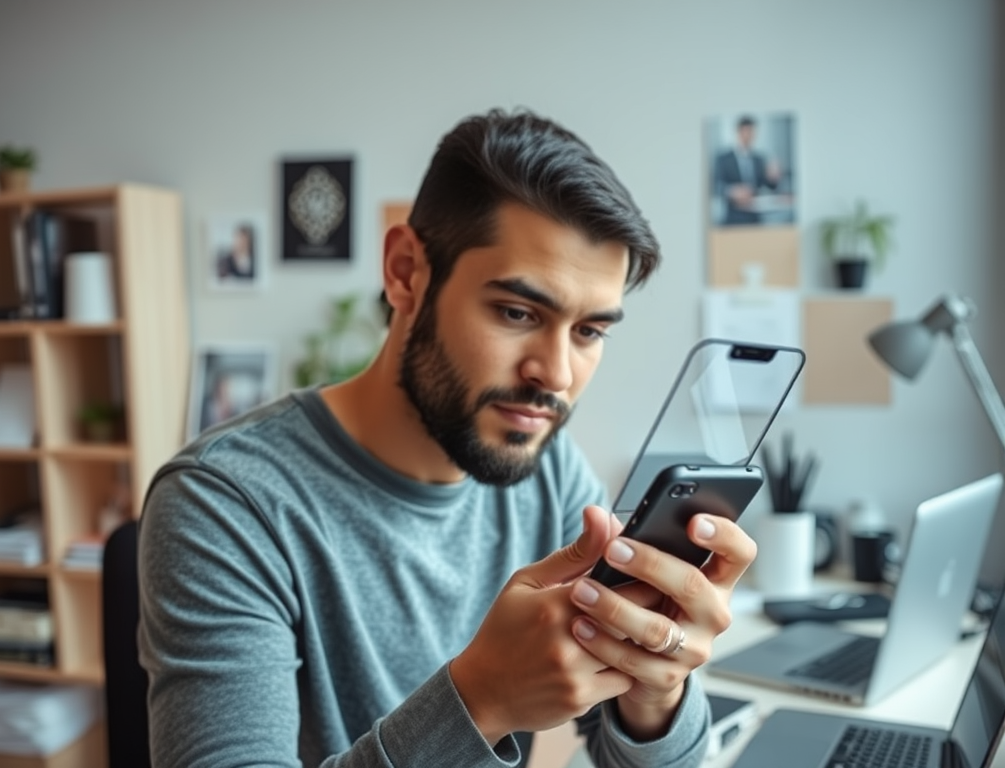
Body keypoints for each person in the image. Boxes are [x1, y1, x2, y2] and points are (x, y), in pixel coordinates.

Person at [138, 108, 757, 768]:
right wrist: (480, 700)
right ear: (406, 272)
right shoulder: (224, 502)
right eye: (518, 312)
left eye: (589, 332)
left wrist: (656, 694)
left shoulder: (550, 475)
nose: (555, 374)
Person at [714, 116, 783, 226]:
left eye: (751, 132)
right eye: (746, 132)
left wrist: (774, 178)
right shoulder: (723, 159)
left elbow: (770, 185)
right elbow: (716, 186)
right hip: (733, 219)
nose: (748, 136)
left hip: (755, 219)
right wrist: (732, 191)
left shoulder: (759, 159)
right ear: (738, 132)